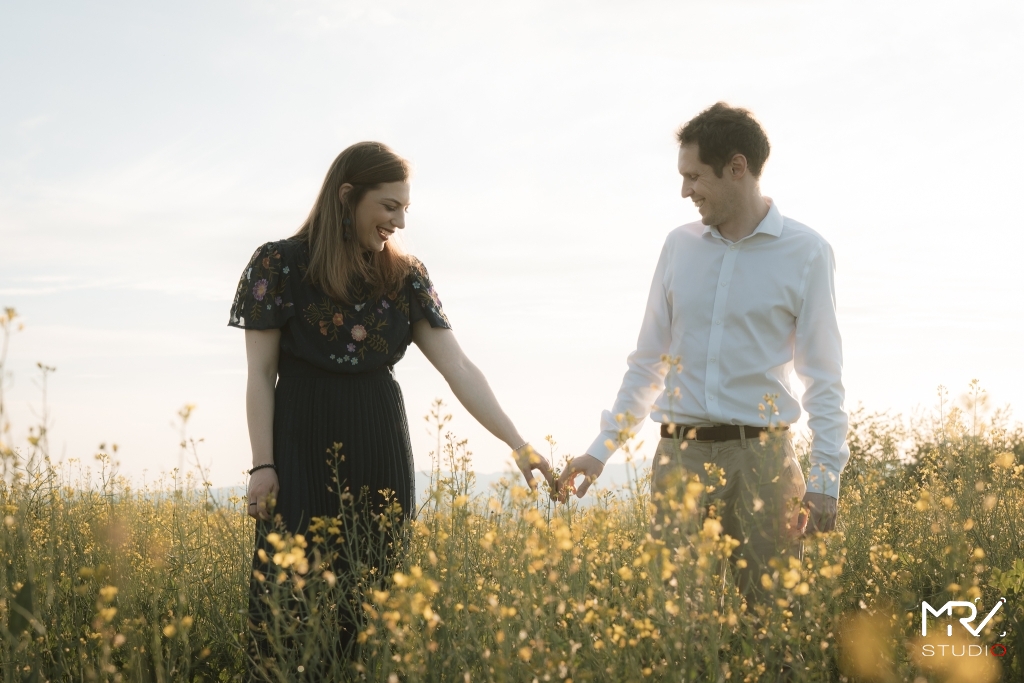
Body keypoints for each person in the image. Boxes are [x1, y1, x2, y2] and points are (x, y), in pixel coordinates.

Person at [228, 141, 554, 672]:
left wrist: (518, 444)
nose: (399, 222)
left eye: (405, 209)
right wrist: (262, 465)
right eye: (388, 207)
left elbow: (460, 368)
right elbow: (261, 375)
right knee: (286, 613)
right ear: (347, 196)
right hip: (297, 448)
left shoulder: (405, 276)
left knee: (368, 612)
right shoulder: (277, 264)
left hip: (379, 448)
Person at [557, 103, 849, 600]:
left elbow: (823, 375)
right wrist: (602, 448)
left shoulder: (807, 252)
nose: (684, 191)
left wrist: (824, 478)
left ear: (737, 167)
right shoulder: (679, 246)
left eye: (694, 176)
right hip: (679, 456)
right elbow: (648, 361)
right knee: (674, 624)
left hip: (763, 460)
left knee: (770, 620)